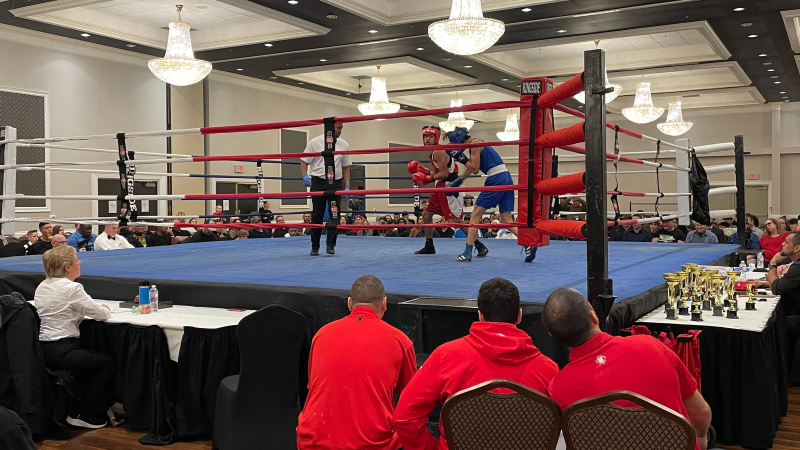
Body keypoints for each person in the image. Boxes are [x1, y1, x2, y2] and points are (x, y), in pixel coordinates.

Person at [394, 278, 558, 450]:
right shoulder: (548, 370)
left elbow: (405, 417)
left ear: (480, 315)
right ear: (519, 315)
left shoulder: (446, 357)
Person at [542, 288, 712, 450]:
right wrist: (699, 442)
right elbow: (700, 412)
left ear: (552, 335)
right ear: (594, 317)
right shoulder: (650, 346)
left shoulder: (558, 388)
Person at [297, 275, 416, 450]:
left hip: (313, 442)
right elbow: (412, 401)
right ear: (384, 304)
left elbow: (314, 385)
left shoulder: (321, 335)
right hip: (373, 444)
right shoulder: (400, 340)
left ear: (350, 303)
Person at [34, 246, 115, 428]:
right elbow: (101, 315)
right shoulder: (72, 288)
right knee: (108, 363)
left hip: (44, 347)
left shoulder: (42, 285)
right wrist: (105, 309)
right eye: (76, 260)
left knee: (89, 361)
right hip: (61, 348)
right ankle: (87, 413)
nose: (80, 262)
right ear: (68, 267)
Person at [444, 127, 534, 262]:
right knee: (506, 219)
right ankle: (528, 243)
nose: (455, 148)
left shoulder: (475, 144)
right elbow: (471, 168)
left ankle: (467, 252)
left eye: (454, 144)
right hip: (506, 176)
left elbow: (474, 169)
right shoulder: (476, 144)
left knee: (475, 215)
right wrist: (458, 181)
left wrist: (461, 158)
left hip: (496, 178)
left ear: (458, 139)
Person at [409, 126, 486, 256]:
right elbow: (441, 172)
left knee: (455, 221)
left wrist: (428, 178)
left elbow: (444, 174)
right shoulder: (435, 151)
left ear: (436, 137)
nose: (427, 139)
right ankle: (429, 245)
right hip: (441, 185)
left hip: (450, 185)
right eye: (425, 136)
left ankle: (480, 246)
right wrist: (426, 172)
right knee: (426, 214)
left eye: (431, 136)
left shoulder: (438, 151)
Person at [301, 122, 351, 256]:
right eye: (338, 128)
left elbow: (345, 167)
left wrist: (347, 186)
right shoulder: (315, 142)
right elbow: (304, 161)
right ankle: (315, 247)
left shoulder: (343, 144)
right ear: (329, 128)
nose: (340, 131)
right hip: (318, 182)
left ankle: (330, 246)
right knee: (317, 214)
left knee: (334, 214)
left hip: (335, 182)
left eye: (341, 128)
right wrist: (305, 175)